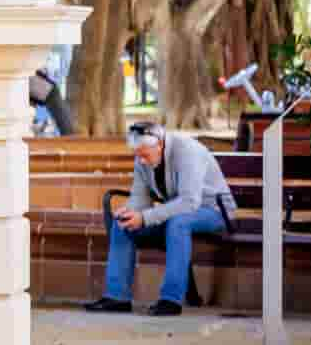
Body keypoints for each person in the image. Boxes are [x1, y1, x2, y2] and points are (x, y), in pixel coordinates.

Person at [83, 120, 237, 316]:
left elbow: (190, 202)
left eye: (145, 156)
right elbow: (140, 199)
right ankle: (117, 297)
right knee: (122, 224)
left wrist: (145, 218)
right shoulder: (143, 157)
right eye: (138, 156)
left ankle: (171, 300)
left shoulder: (187, 151)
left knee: (178, 223)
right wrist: (130, 211)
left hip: (214, 211)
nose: (142, 162)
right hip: (177, 212)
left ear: (160, 144)